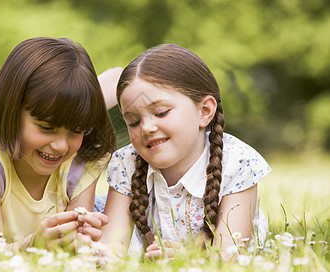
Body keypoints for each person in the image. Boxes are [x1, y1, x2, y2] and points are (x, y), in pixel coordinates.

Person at [100, 44, 271, 260]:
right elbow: (110, 249)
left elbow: (229, 256)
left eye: (161, 113)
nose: (146, 128)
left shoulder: (237, 162)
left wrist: (187, 258)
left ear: (204, 111)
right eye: (133, 121)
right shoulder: (127, 162)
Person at [0, 37, 116, 251]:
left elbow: (74, 247)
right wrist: (35, 244)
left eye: (76, 130)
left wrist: (80, 240)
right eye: (46, 127)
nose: (61, 146)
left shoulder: (80, 162)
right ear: (11, 112)